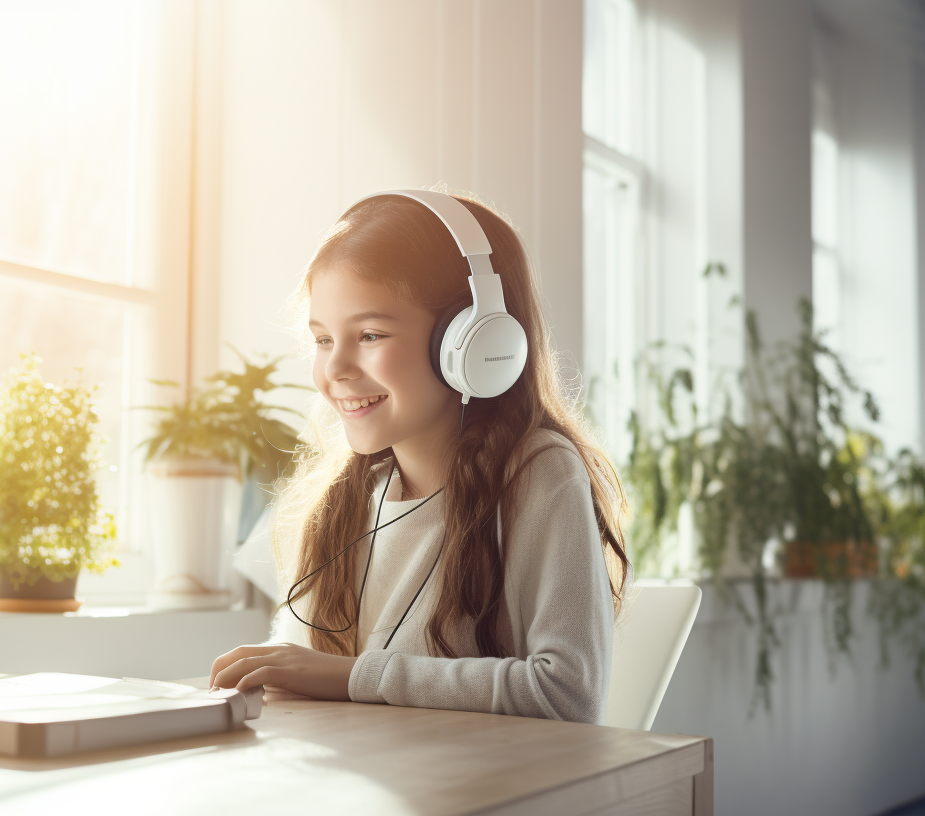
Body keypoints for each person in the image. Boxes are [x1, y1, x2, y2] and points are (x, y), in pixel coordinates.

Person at [207, 190, 631, 724]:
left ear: (472, 342)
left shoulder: (538, 474)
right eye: (321, 339)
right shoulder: (346, 499)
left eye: (369, 334)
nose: (334, 367)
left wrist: (354, 676)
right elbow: (297, 672)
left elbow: (567, 693)